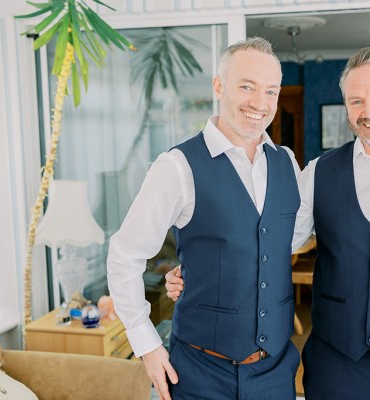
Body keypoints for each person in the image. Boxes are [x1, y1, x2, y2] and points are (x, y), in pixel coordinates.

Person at [166, 47, 370, 399]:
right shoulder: (317, 173)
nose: (369, 111)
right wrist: (198, 269)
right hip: (334, 371)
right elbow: (268, 243)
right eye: (356, 101)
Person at [108, 37, 301, 400]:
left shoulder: (287, 162)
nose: (260, 103)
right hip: (200, 374)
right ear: (218, 86)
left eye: (271, 91)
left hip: (275, 372)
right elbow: (125, 254)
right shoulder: (177, 166)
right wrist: (147, 345)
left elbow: (284, 238)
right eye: (247, 86)